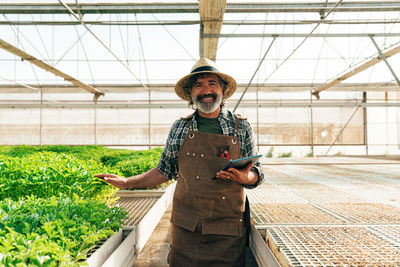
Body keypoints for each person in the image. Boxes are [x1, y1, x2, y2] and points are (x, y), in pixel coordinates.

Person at [95, 57, 264, 266]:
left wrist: (245, 176)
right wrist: (126, 182)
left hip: (227, 231)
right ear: (191, 94)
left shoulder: (241, 127)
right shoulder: (180, 127)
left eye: (212, 83)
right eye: (198, 85)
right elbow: (164, 171)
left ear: (222, 89)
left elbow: (257, 173)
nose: (206, 90)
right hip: (186, 230)